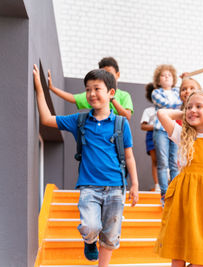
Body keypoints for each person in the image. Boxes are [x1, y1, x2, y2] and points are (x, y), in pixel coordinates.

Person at [33, 65, 139, 267]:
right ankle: (89, 241)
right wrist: (40, 88)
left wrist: (134, 184)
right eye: (88, 89)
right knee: (91, 226)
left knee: (111, 234)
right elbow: (47, 119)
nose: (91, 94)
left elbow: (129, 156)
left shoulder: (121, 124)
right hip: (89, 187)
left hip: (116, 187)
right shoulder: (79, 120)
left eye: (96, 89)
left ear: (111, 93)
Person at [155, 91, 203, 267]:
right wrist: (187, 115)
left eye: (198, 106)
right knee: (178, 251)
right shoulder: (183, 134)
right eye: (189, 107)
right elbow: (161, 114)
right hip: (183, 196)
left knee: (201, 252)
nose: (192, 110)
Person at [47, 57, 133, 120]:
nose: (92, 94)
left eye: (110, 73)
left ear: (118, 75)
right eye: (103, 73)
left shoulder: (124, 95)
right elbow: (73, 98)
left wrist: (111, 98)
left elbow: (127, 116)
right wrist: (52, 88)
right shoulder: (93, 95)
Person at [151, 64, 182, 203]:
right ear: (158, 80)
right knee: (163, 163)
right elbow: (169, 105)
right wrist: (177, 103)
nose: (166, 77)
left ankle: (175, 192)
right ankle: (164, 193)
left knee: (174, 163)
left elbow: (181, 101)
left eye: (169, 75)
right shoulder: (156, 92)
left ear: (173, 78)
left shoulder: (177, 91)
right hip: (160, 130)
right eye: (163, 75)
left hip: (174, 128)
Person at [141, 83, 159, 192]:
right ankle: (157, 184)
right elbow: (143, 126)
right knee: (155, 161)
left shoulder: (169, 109)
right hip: (152, 136)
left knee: (168, 161)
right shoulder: (149, 111)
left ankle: (169, 184)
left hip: (167, 136)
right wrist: (157, 126)